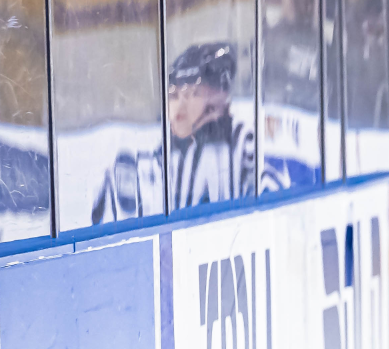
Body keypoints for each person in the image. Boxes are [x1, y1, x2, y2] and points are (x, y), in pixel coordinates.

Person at [90, 42, 274, 223]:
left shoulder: (240, 139)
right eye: (173, 96)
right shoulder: (160, 159)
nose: (180, 105)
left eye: (193, 93)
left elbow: (271, 197)